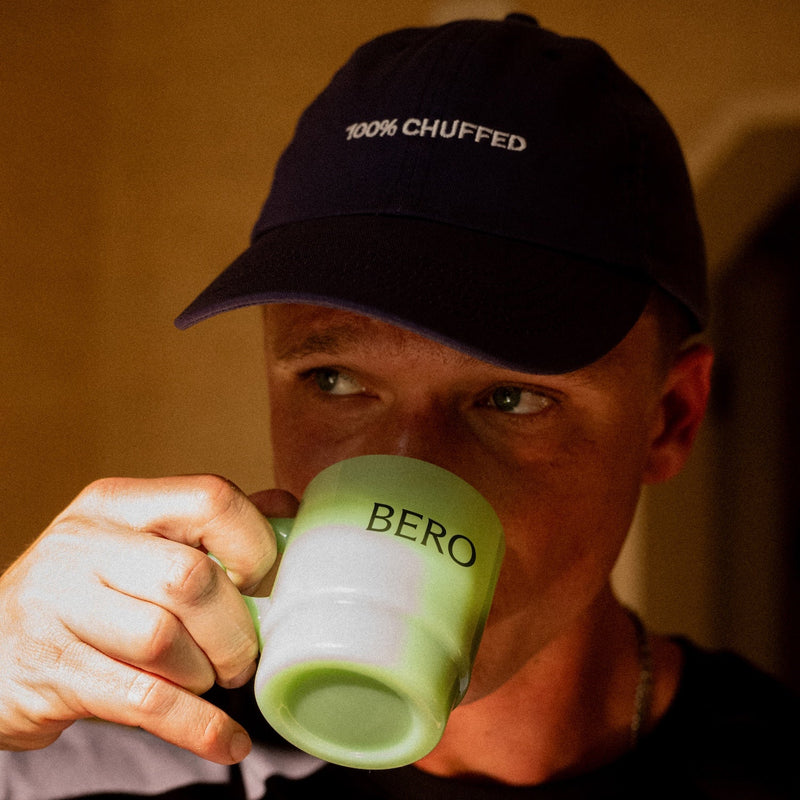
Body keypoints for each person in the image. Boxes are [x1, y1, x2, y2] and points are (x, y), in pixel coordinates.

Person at [0, 13, 796, 800]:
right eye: (335, 381)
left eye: (511, 397)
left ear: (670, 420)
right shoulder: (107, 739)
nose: (409, 467)